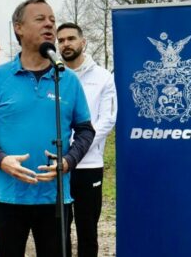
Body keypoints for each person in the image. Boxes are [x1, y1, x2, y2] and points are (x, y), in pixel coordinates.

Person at [0, 0, 95, 257]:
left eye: (52, 20)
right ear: (19, 27)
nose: (49, 25)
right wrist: (0, 159)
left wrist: (68, 161)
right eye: (40, 19)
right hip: (8, 197)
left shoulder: (67, 79)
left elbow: (85, 130)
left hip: (55, 199)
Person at [56, 22, 117, 257]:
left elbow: (107, 120)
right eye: (61, 40)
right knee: (59, 232)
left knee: (87, 231)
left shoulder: (103, 77)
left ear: (83, 42)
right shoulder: (54, 77)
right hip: (58, 167)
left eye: (71, 38)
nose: (66, 44)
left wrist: (75, 150)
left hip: (89, 165)